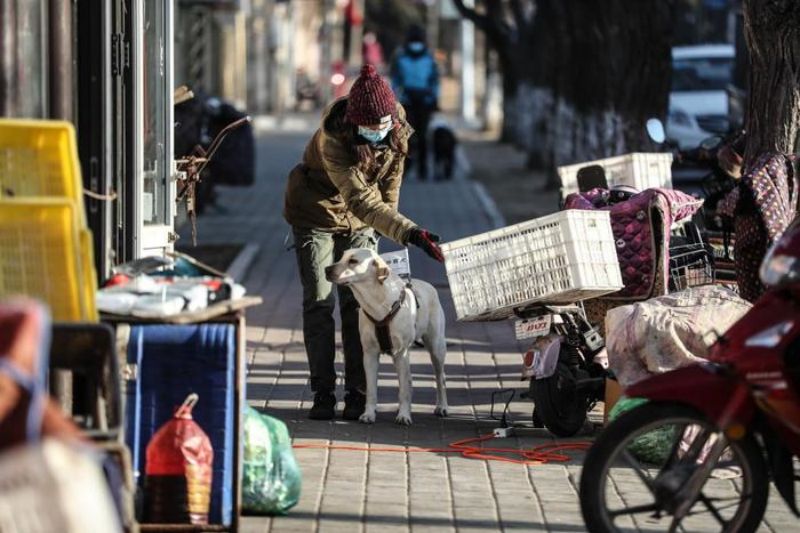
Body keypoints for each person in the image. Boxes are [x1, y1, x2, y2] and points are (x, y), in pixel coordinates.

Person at [283, 64, 445, 421]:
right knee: (320, 301)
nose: (377, 132)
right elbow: (360, 199)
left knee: (360, 306)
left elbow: (388, 193)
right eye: (369, 129)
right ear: (354, 124)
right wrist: (411, 232)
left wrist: (396, 232)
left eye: (382, 126)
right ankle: (323, 392)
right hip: (316, 212)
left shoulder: (396, 125)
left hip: (361, 220)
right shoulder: (333, 140)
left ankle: (359, 393)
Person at [391, 25, 439, 180]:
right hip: (410, 101)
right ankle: (409, 168)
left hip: (421, 101)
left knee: (420, 136)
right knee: (410, 136)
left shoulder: (427, 58)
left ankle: (421, 169)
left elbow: (434, 81)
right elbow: (396, 80)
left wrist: (433, 98)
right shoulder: (404, 58)